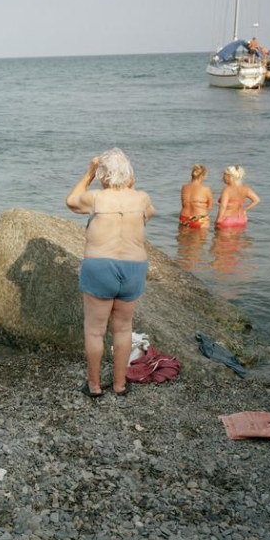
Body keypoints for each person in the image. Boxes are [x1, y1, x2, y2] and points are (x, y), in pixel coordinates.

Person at [65, 148, 156, 397]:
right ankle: (119, 385)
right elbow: (149, 215)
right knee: (123, 328)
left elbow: (71, 201)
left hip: (100, 266)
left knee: (95, 330)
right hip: (134, 267)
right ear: (129, 173)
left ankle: (94, 385)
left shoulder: (96, 198)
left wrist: (89, 173)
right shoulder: (142, 198)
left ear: (103, 175)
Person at [179, 164, 214, 229]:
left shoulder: (184, 187)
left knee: (183, 238)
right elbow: (210, 207)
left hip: (184, 218)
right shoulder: (206, 189)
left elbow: (183, 205)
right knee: (200, 238)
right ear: (203, 176)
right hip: (199, 218)